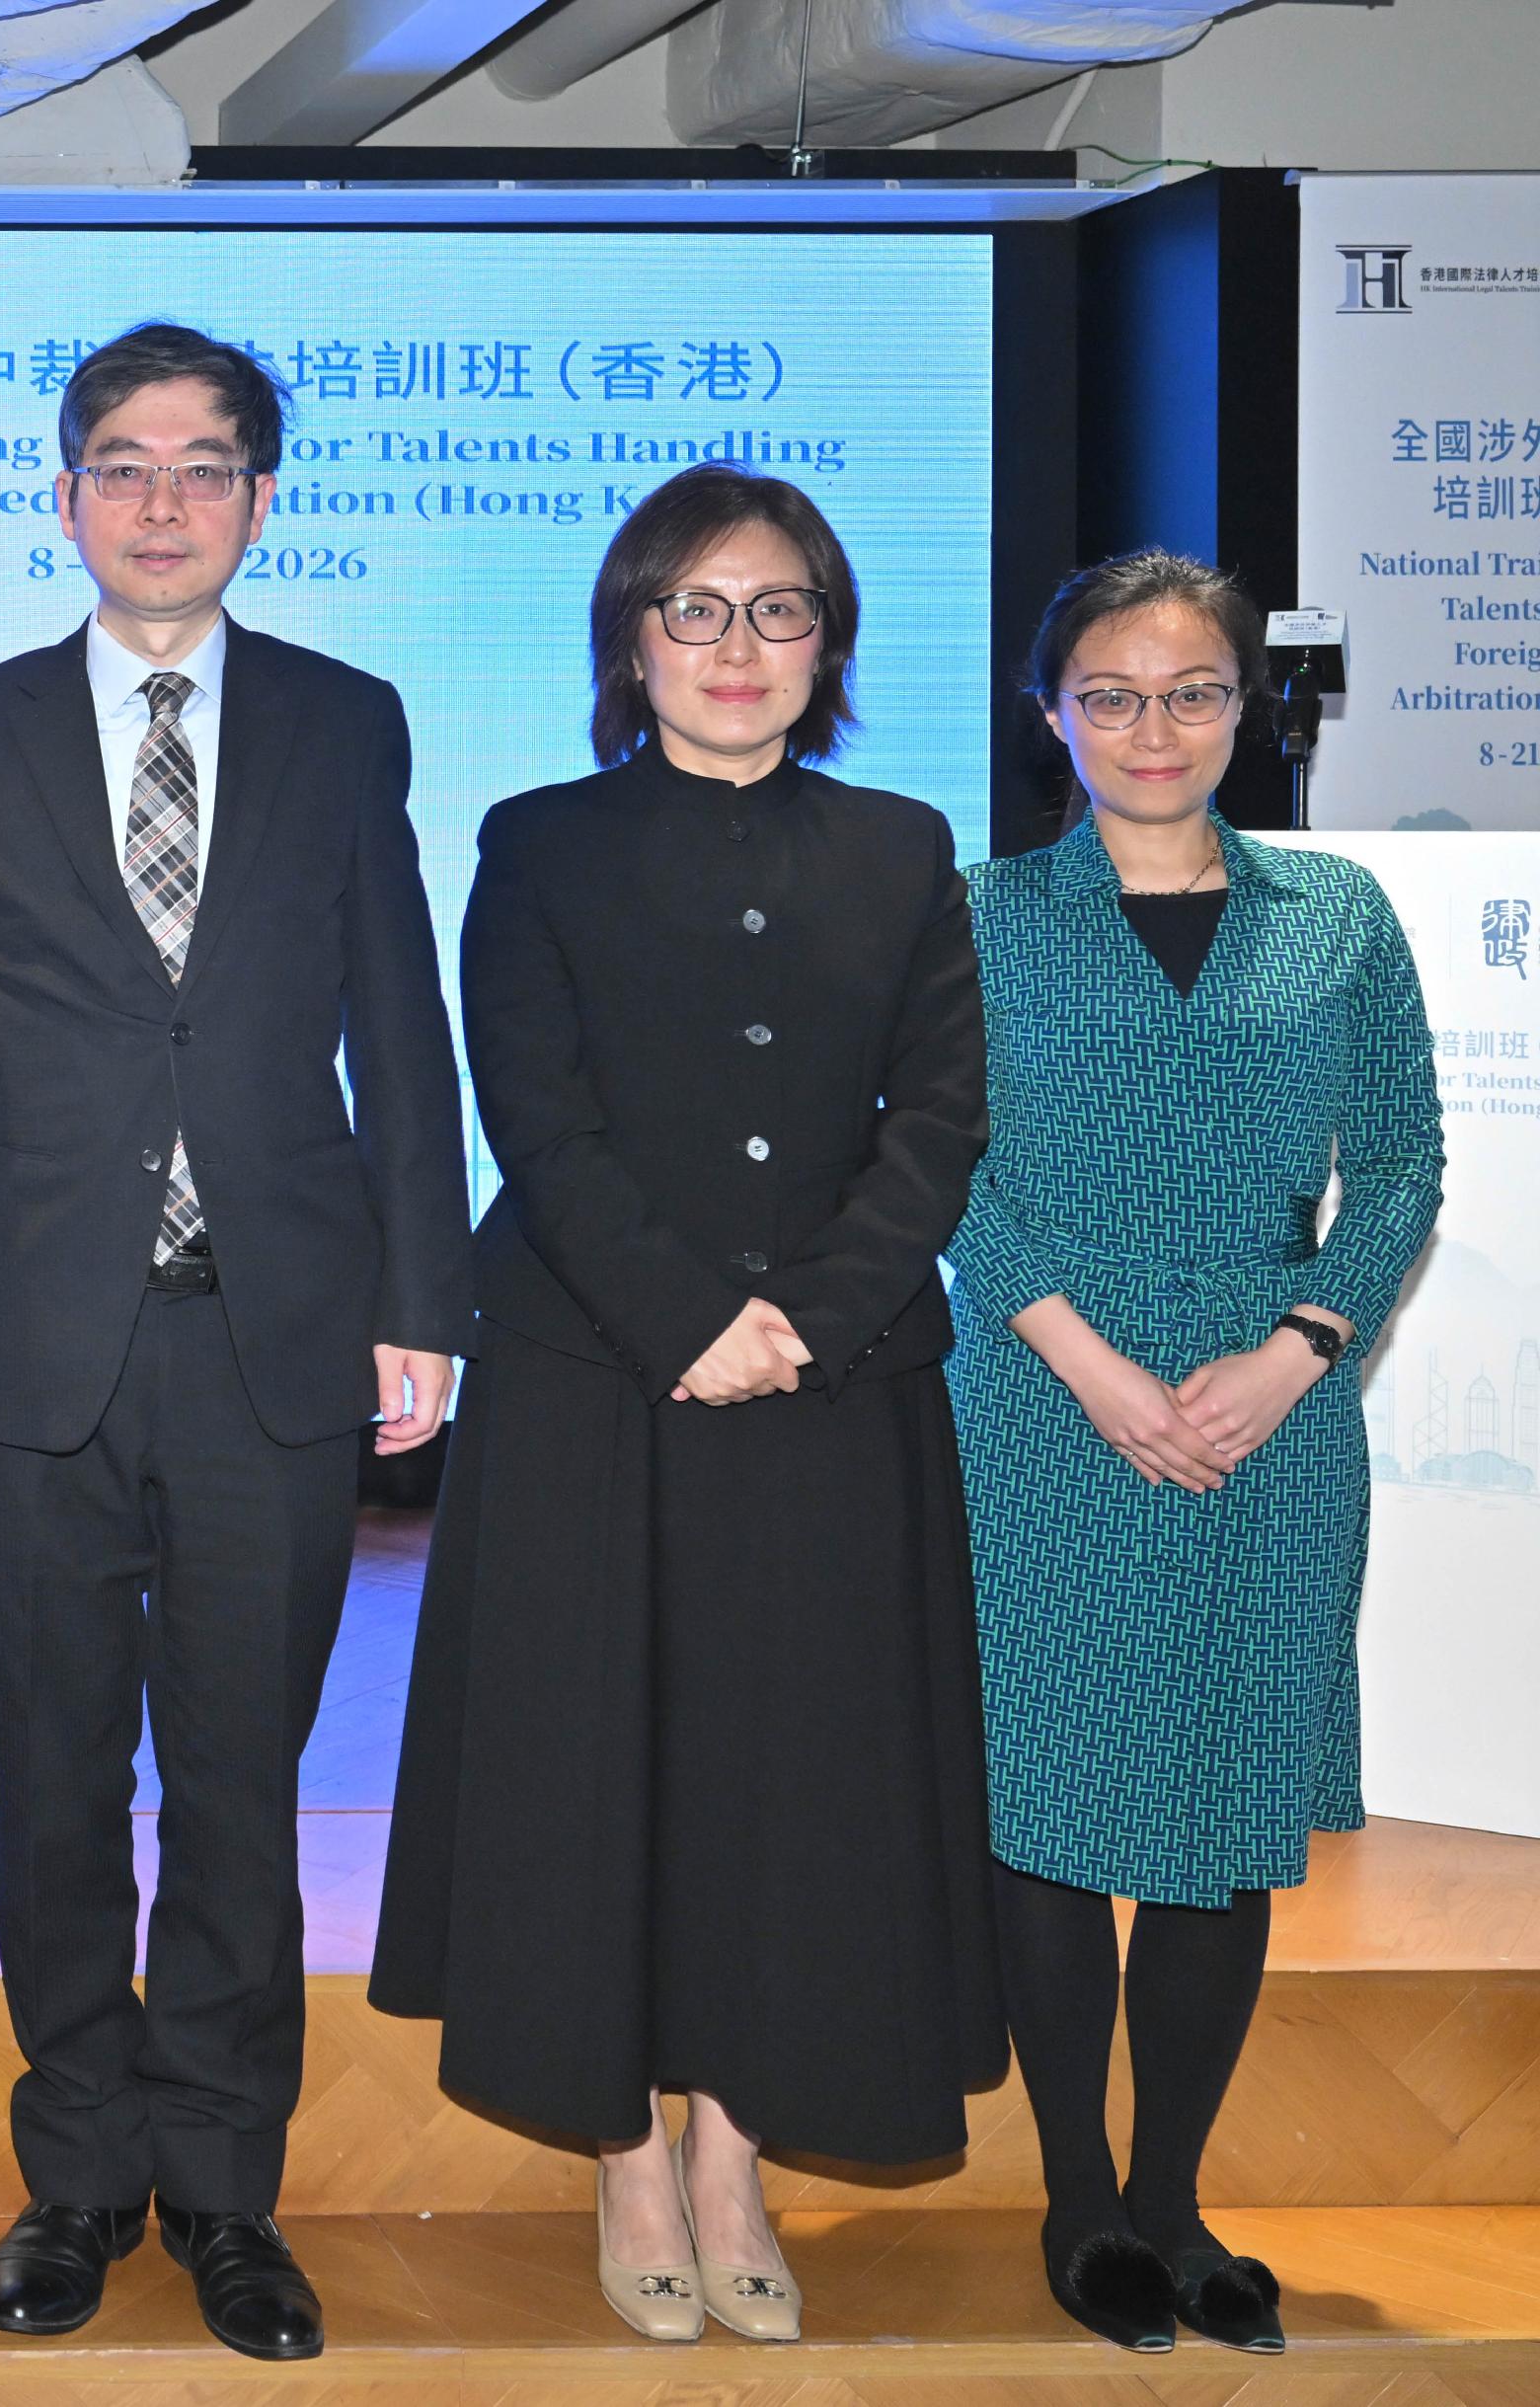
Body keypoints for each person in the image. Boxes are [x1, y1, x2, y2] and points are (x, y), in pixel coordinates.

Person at [370, 461, 1003, 2344]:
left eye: (781, 610)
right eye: (697, 610)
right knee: (605, 1773)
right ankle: (629, 2153)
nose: (740, 649)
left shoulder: (903, 847)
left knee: (790, 1787)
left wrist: (804, 1314)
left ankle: (738, 2148)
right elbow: (534, 1110)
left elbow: (940, 1117)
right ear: (630, 639)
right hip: (596, 1384)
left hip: (838, 1388)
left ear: (830, 645)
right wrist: (685, 1316)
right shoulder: (538, 839)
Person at [0, 322, 469, 2361]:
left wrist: (423, 1295)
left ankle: (226, 2189)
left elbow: (397, 1028)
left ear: (254, 495)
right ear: (62, 496)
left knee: (237, 1783)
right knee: (50, 1784)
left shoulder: (339, 720)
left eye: (202, 465)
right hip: (32, 1339)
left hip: (273, 1337)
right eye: (120, 465)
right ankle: (75, 2177)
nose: (159, 502)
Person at [950, 551, 1441, 2356]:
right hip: (1035, 1402)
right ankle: (1083, 2201)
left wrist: (1302, 1346)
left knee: (1225, 1824)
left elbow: (1398, 1162)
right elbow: (940, 1165)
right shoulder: (981, 911)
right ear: (1053, 713)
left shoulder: (1340, 913)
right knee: (1059, 1814)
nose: (1153, 729)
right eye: (1111, 696)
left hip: (1275, 1417)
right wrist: (1085, 1361)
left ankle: (1178, 2199)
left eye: (1193, 692)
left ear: (1248, 707)